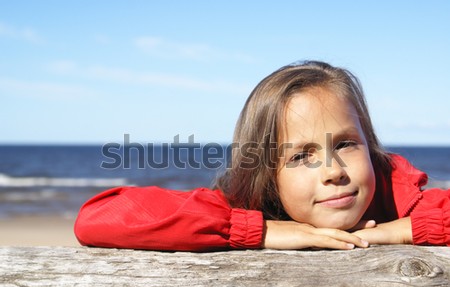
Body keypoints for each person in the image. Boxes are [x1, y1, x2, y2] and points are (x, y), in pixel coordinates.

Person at [74, 61, 450, 251]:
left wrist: (406, 230)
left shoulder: (401, 202)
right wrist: (259, 231)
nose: (333, 172)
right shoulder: (246, 208)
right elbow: (98, 218)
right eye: (301, 156)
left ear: (369, 145)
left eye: (345, 144)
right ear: (268, 175)